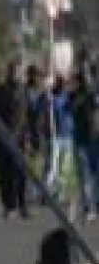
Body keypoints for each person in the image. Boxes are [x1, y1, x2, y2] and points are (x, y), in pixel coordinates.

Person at [0, 62, 31, 219]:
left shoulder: (22, 92)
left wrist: (29, 138)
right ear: (9, 73)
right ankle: (9, 206)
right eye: (14, 72)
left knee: (22, 173)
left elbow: (27, 116)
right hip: (2, 139)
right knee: (5, 173)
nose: (17, 76)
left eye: (20, 73)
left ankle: (22, 205)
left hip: (20, 138)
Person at [72, 70, 98, 222]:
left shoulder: (87, 98)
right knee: (80, 176)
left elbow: (93, 119)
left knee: (88, 175)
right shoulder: (75, 98)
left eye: (74, 82)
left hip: (86, 141)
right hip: (77, 139)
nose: (71, 85)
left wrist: (92, 138)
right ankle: (85, 204)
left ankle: (91, 207)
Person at [48, 74, 75, 205]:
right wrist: (53, 132)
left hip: (68, 136)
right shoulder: (54, 99)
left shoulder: (68, 97)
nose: (63, 85)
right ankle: (49, 190)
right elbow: (52, 117)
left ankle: (61, 193)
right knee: (54, 166)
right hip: (58, 136)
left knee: (65, 167)